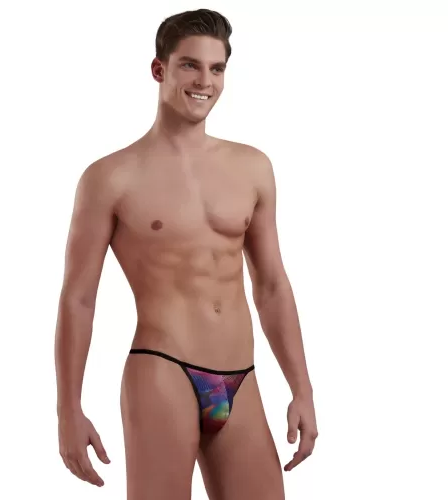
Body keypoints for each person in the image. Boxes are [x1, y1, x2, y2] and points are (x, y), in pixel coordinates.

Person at [54, 8, 318, 499]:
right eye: (190, 65)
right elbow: (78, 299)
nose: (205, 81)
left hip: (241, 378)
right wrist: (68, 409)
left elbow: (271, 285)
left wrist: (301, 388)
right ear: (160, 69)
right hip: (162, 369)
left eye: (217, 69)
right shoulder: (110, 178)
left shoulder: (252, 167)